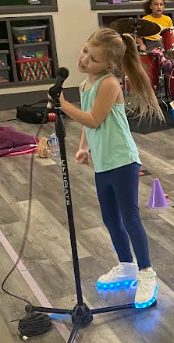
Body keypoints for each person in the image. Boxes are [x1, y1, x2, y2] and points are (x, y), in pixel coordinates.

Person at [58, 27, 163, 307]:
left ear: (108, 65)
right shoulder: (86, 85)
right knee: (110, 218)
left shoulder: (109, 83)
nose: (83, 60)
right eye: (84, 52)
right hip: (103, 163)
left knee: (130, 217)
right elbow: (88, 123)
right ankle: (126, 265)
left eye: (92, 59)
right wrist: (84, 147)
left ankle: (146, 272)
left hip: (123, 161)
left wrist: (63, 106)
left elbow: (93, 118)